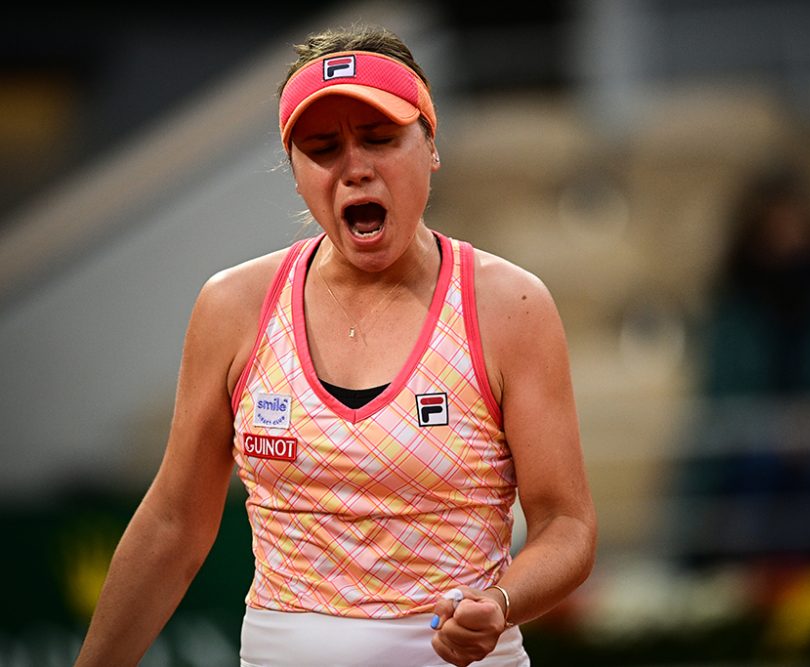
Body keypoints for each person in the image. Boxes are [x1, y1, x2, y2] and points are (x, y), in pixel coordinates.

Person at [73, 23, 597, 667]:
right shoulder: (234, 307)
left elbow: (566, 528)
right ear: (294, 173)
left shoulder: (508, 306)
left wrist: (502, 601)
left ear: (431, 146)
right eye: (323, 148)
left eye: (380, 139)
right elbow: (174, 525)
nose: (355, 169)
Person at [665, 163, 810, 563]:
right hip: (748, 455)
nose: (787, 239)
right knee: (758, 475)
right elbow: (723, 399)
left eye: (796, 226)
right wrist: (776, 429)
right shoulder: (732, 310)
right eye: (775, 228)